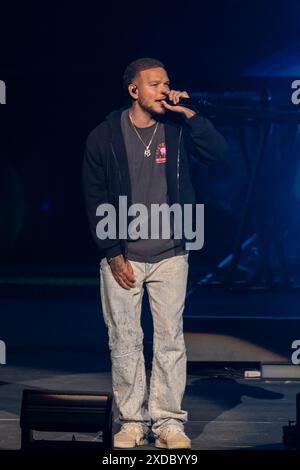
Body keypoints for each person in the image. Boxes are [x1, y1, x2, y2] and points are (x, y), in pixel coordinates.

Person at [82, 57, 227, 449]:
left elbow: (219, 154)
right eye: (155, 84)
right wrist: (112, 252)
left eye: (167, 83)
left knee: (169, 341)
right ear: (134, 90)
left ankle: (167, 422)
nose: (164, 89)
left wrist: (190, 113)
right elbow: (94, 196)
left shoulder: (179, 128)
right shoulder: (104, 136)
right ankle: (131, 420)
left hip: (171, 254)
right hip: (124, 255)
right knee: (125, 340)